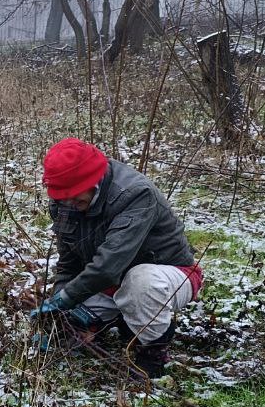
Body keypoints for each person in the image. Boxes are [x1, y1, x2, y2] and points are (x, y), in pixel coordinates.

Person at [31, 138, 203, 379]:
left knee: (140, 282)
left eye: (74, 197)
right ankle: (119, 319)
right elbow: (69, 263)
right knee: (69, 327)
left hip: (169, 275)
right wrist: (59, 307)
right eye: (63, 198)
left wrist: (67, 298)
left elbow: (108, 266)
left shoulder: (136, 194)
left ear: (92, 181)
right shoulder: (65, 203)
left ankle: (153, 351)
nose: (69, 204)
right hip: (110, 284)